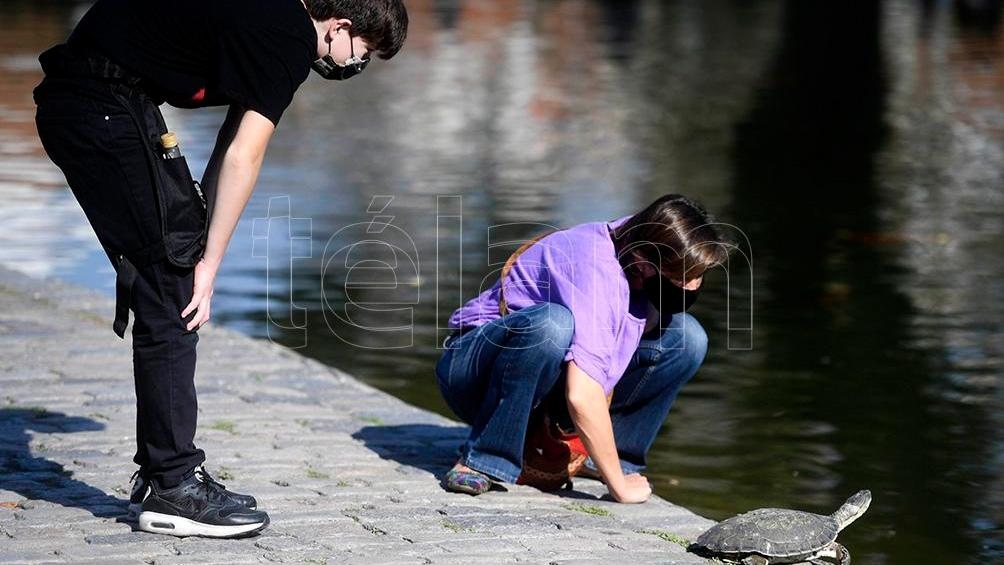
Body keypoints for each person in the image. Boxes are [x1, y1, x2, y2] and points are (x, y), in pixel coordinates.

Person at [32, 0, 408, 538]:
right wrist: (205, 264)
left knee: (172, 273)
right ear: (341, 26)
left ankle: (166, 473)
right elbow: (243, 158)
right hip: (100, 104)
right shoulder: (289, 38)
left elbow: (230, 144)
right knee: (172, 291)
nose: (355, 66)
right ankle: (173, 485)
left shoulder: (267, 18)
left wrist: (201, 245)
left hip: (98, 99)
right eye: (363, 53)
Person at [435, 194, 731, 503]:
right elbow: (582, 394)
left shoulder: (637, 240)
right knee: (553, 325)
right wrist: (620, 489)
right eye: (685, 277)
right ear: (644, 264)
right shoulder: (595, 267)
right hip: (471, 372)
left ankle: (606, 458)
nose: (694, 286)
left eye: (699, 276)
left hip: (542, 381)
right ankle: (484, 457)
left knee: (687, 337)